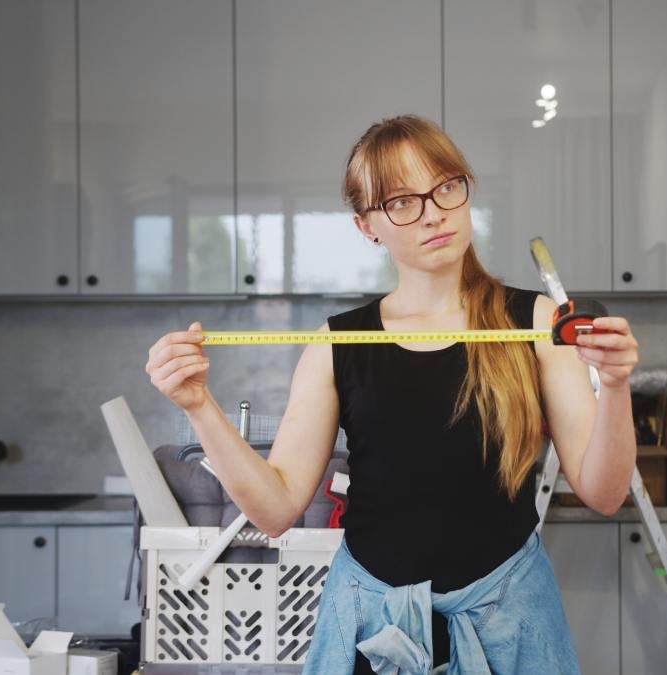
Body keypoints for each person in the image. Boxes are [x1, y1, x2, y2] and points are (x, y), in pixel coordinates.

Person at [145, 115, 639, 674]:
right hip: (371, 633)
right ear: (366, 226)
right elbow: (277, 508)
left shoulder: (534, 322)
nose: (433, 212)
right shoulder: (340, 342)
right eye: (402, 201)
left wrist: (616, 386)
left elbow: (603, 493)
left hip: (510, 627)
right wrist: (198, 406)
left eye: (446, 187)